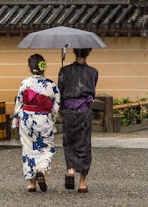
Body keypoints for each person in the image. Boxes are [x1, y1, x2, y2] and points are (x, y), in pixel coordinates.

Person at [12, 54, 60, 192]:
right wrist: (52, 119)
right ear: (44, 67)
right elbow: (56, 105)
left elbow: (19, 102)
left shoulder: (25, 83)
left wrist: (16, 119)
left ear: (30, 67)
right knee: (46, 148)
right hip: (44, 119)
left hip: (27, 119)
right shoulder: (51, 84)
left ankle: (32, 183)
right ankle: (42, 171)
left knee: (28, 149)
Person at [58, 47, 98, 193]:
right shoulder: (93, 72)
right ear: (88, 52)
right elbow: (92, 91)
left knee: (69, 142)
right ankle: (82, 182)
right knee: (84, 143)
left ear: (74, 52)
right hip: (85, 111)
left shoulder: (64, 71)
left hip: (69, 110)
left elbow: (60, 91)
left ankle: (70, 170)